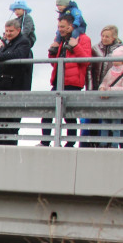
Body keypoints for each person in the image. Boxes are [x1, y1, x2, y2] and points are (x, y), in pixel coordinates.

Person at [42, 15, 91, 146]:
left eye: (62, 27)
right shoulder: (61, 40)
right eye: (59, 27)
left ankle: (70, 143)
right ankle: (45, 142)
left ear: (71, 26)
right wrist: (52, 52)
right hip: (58, 81)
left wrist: (75, 46)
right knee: (47, 112)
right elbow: (54, 63)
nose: (60, 29)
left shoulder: (84, 39)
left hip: (73, 83)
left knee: (69, 115)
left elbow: (86, 61)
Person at [0, 19, 34, 145]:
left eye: (11, 31)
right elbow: (2, 56)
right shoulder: (6, 43)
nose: (8, 33)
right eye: (6, 31)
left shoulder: (24, 42)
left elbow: (16, 55)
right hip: (1, 89)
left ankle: (8, 149)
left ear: (18, 30)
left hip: (14, 89)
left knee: (10, 125)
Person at [83, 26, 123, 148]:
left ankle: (121, 148)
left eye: (107, 36)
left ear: (114, 37)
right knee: (95, 119)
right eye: (102, 36)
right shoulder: (95, 49)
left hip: (114, 92)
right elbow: (89, 68)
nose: (104, 38)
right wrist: (91, 89)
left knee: (117, 121)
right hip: (98, 89)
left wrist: (117, 84)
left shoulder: (121, 50)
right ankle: (95, 145)